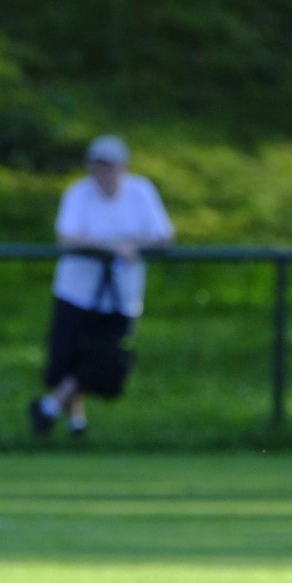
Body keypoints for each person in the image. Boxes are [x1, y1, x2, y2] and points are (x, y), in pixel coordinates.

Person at [28, 135, 173, 438]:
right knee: (65, 360)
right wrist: (110, 247)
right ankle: (75, 422)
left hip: (122, 296)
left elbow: (163, 236)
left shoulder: (141, 191)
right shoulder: (77, 194)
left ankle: (49, 409)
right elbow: (67, 237)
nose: (104, 174)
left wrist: (133, 246)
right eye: (98, 166)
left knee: (102, 359)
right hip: (76, 292)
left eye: (110, 166)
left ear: (124, 167)